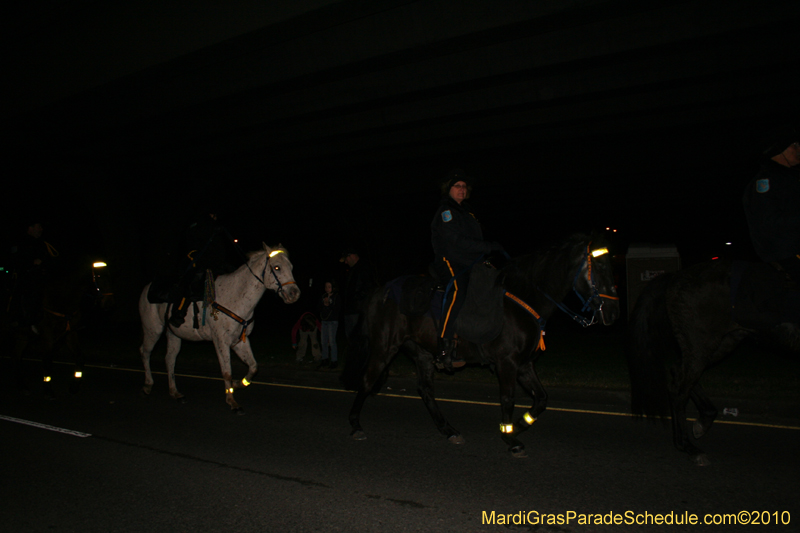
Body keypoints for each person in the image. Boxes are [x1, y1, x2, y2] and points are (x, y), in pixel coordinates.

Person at [431, 169, 504, 370]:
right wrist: (487, 246)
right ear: (449, 190)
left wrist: (486, 253)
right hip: (450, 260)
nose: (461, 189)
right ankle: (444, 347)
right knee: (458, 290)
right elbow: (456, 241)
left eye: (464, 186)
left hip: (470, 261)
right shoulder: (446, 211)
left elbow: (475, 241)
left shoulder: (468, 212)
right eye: (457, 186)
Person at [743, 130, 800, 283]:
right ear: (781, 150)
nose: (798, 148)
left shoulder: (788, 178)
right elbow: (768, 222)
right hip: (785, 257)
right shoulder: (766, 182)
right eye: (794, 145)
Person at [169, 211, 239, 327]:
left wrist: (224, 263)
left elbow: (220, 249)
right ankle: (179, 313)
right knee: (191, 283)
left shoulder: (218, 226)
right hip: (197, 261)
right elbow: (192, 243)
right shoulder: (198, 223)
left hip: (216, 264)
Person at [9, 220, 58, 329]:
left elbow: (52, 260)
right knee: (25, 294)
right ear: (30, 228)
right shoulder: (20, 243)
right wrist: (31, 263)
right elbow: (14, 261)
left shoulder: (43, 244)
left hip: (43, 279)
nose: (41, 229)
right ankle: (23, 321)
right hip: (26, 279)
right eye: (38, 227)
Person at [340, 248, 376, 338]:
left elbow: (369, 288)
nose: (345, 262)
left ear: (352, 256)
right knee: (352, 340)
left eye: (346, 259)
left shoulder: (364, 268)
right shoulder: (351, 271)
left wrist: (356, 298)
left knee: (361, 339)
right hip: (349, 312)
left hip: (359, 313)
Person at [317, 280, 341, 369]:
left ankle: (334, 361)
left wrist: (328, 304)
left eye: (329, 287)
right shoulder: (323, 296)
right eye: (326, 286)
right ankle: (325, 359)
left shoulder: (336, 297)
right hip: (324, 321)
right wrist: (323, 304)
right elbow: (319, 307)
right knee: (323, 341)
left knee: (332, 342)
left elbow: (337, 309)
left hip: (332, 321)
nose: (327, 288)